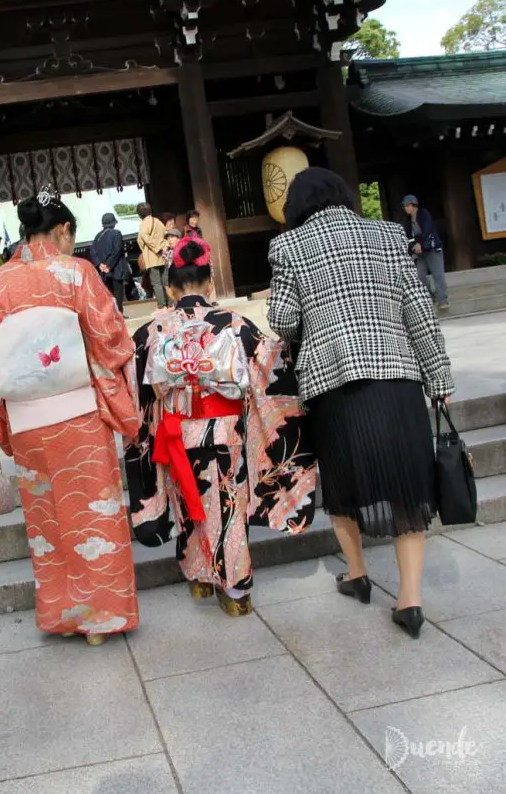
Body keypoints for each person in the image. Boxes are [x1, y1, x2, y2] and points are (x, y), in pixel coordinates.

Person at [268, 167, 454, 639]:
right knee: (408, 484)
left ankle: (357, 574)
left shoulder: (290, 246)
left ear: (296, 207)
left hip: (333, 383)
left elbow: (284, 320)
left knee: (343, 477)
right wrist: (440, 377)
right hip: (397, 374)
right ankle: (410, 600)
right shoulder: (389, 234)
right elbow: (418, 309)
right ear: (343, 196)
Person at [0, 189, 140, 645]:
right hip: (78, 415)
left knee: (48, 522)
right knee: (91, 515)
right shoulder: (75, 273)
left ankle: (61, 615)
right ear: (63, 230)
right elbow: (111, 339)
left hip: (26, 424)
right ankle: (99, 619)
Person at [125, 237, 317, 616]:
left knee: (189, 502)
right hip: (225, 430)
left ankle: (198, 576)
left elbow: (130, 379)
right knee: (226, 504)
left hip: (176, 431)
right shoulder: (235, 323)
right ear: (210, 284)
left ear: (170, 286)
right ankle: (235, 590)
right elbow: (270, 365)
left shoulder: (152, 330)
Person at [403, 194, 449, 310]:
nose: (406, 208)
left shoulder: (424, 214)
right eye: (405, 206)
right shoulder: (408, 222)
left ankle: (442, 299)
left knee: (437, 275)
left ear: (414, 205)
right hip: (420, 252)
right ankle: (431, 297)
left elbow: (428, 230)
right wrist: (412, 249)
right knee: (420, 276)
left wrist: (420, 243)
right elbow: (409, 238)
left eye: (408, 205)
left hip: (432, 248)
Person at [90, 212, 128, 313]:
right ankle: (119, 314)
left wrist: (100, 264)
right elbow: (117, 250)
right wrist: (108, 265)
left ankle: (111, 315)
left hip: (103, 272)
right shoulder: (116, 233)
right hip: (115, 269)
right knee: (118, 294)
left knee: (108, 295)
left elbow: (93, 252)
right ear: (113, 223)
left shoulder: (97, 236)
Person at [136, 203, 168, 308]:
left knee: (156, 283)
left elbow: (141, 239)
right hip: (163, 255)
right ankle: (171, 303)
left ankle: (161, 305)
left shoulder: (144, 224)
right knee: (166, 281)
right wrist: (163, 247)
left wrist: (154, 248)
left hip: (152, 256)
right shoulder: (157, 221)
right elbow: (166, 234)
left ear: (139, 214)